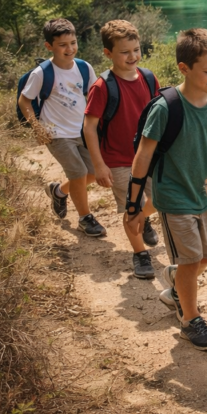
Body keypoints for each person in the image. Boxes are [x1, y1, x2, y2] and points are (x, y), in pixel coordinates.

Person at [128, 28, 207, 351]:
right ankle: (190, 320)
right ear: (184, 68)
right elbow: (143, 154)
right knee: (190, 259)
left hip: (203, 196)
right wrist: (134, 204)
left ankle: (175, 287)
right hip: (172, 196)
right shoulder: (166, 107)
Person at [84, 20, 161, 279]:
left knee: (160, 198)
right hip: (118, 160)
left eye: (136, 49)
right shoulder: (103, 86)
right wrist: (98, 165)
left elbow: (160, 115)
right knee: (131, 207)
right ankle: (140, 254)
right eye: (124, 52)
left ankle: (145, 218)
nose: (133, 56)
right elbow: (89, 127)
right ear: (108, 53)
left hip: (150, 157)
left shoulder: (149, 78)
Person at [18, 19, 103, 237]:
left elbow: (94, 96)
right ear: (49, 46)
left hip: (83, 131)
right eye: (63, 45)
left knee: (93, 173)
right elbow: (24, 101)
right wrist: (36, 127)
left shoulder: (84, 68)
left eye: (73, 43)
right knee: (78, 173)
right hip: (55, 133)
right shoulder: (42, 73)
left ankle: (58, 191)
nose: (70, 49)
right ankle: (85, 218)